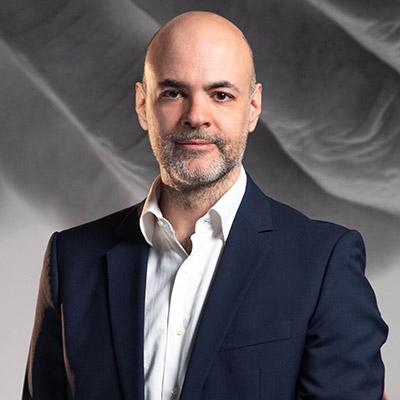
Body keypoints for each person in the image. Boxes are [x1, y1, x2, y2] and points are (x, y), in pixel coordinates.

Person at [23, 11, 388, 400]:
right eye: (173, 92)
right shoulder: (72, 258)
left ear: (253, 107)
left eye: (221, 95)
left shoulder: (323, 262)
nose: (196, 116)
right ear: (143, 104)